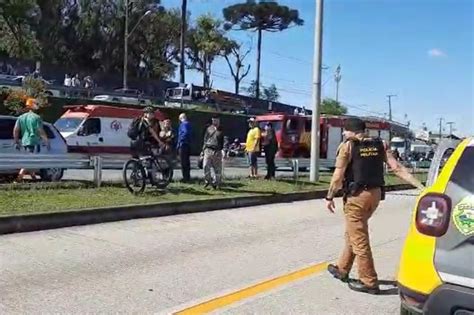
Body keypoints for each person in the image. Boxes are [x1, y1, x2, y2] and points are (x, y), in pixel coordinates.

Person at [325, 118, 424, 294]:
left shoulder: (347, 146)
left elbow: (338, 176)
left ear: (351, 131)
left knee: (359, 239)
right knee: (354, 232)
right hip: (375, 195)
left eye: (345, 131)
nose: (343, 134)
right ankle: (342, 268)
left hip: (356, 197)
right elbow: (397, 168)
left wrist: (330, 196)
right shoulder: (380, 144)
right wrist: (421, 187)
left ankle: (369, 281)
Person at [13, 98, 50, 182]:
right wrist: (46, 141)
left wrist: (16, 141)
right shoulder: (36, 118)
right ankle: (19, 179)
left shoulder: (21, 117)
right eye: (36, 104)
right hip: (33, 141)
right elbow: (40, 130)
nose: (37, 106)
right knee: (28, 161)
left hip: (24, 141)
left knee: (30, 160)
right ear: (32, 105)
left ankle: (33, 178)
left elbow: (16, 130)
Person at [202, 116, 224, 189]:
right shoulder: (209, 129)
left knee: (217, 169)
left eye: (216, 120)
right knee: (205, 166)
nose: (215, 122)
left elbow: (226, 139)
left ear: (219, 121)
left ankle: (216, 183)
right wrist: (203, 151)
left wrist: (225, 150)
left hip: (217, 151)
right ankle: (207, 181)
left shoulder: (222, 129)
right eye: (213, 120)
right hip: (208, 150)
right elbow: (205, 139)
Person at [177, 113, 192, 182]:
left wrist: (181, 141)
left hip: (183, 145)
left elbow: (185, 133)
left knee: (183, 162)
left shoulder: (184, 124)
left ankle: (185, 178)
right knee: (187, 162)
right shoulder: (189, 124)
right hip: (188, 144)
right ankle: (187, 177)